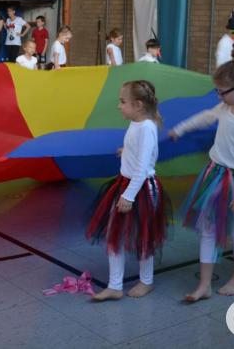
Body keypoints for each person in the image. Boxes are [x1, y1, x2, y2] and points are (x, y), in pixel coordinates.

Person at [170, 47, 234, 301]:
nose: (218, 96)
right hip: (215, 175)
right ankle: (204, 284)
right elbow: (206, 117)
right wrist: (180, 129)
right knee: (208, 229)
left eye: (221, 91)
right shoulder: (225, 108)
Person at [86, 80, 171, 301]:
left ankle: (146, 281)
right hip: (127, 183)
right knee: (115, 234)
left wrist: (129, 196)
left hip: (139, 188)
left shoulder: (146, 127)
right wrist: (127, 150)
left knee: (144, 236)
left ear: (139, 105)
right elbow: (141, 152)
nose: (119, 106)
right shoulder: (137, 123)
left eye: (123, 102)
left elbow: (143, 168)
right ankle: (115, 285)